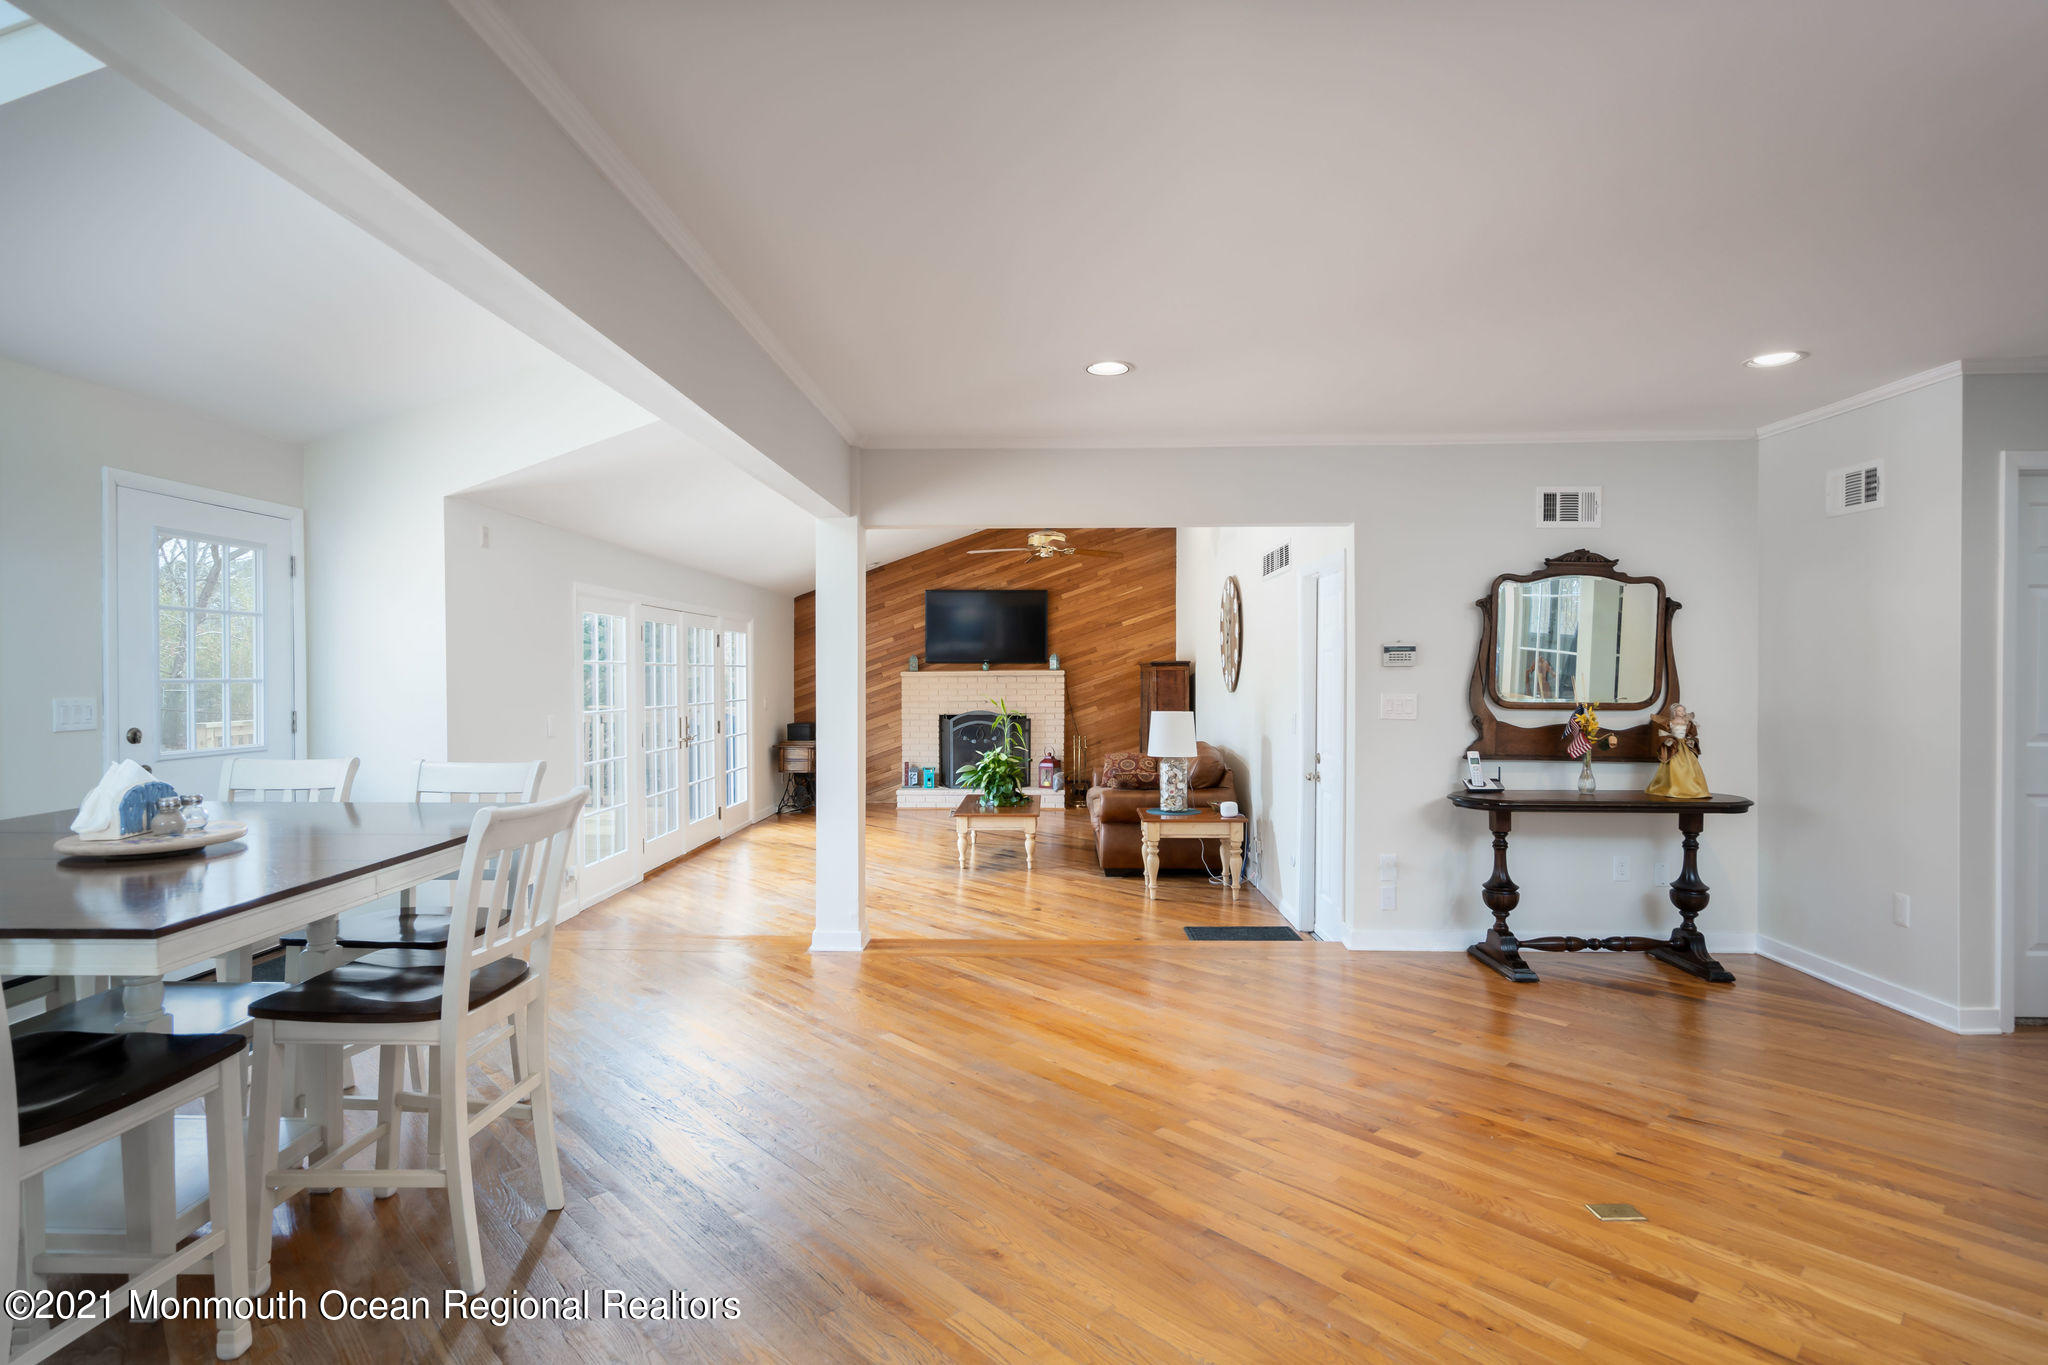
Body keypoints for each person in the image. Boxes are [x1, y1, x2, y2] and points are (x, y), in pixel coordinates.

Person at [1646, 702, 1709, 799]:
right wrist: (1668, 739)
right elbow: (1664, 733)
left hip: (1684, 746)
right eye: (1679, 711)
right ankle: (1673, 787)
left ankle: (1690, 788)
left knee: (1689, 767)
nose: (1682, 712)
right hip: (1674, 746)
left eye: (1683, 710)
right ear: (1674, 712)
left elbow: (1691, 734)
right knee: (1673, 765)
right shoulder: (1670, 722)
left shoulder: (1687, 723)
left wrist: (1690, 740)